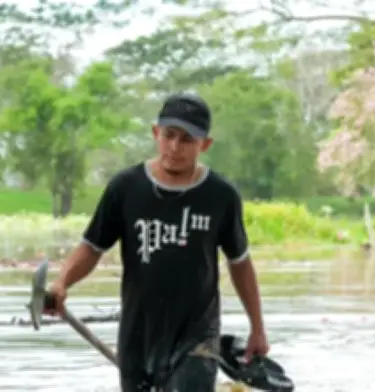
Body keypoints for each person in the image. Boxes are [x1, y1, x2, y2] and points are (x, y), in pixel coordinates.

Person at [45, 93, 269, 391]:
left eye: (187, 139)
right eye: (169, 135)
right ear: (155, 133)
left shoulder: (220, 196)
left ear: (205, 144)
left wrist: (257, 328)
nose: (175, 147)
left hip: (197, 335)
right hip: (138, 333)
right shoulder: (126, 187)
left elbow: (239, 262)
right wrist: (62, 283)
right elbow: (92, 247)